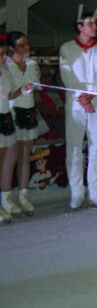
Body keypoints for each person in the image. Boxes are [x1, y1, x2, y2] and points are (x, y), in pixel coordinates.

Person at [59, 14, 97, 209]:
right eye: (90, 23)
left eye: (96, 23)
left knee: (96, 146)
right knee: (74, 148)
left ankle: (95, 191)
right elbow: (67, 75)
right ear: (80, 27)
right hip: (75, 104)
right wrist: (82, 97)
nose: (95, 26)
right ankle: (76, 191)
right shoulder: (66, 48)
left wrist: (92, 94)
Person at [2, 31, 43, 218]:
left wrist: (32, 86)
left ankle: (23, 194)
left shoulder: (32, 64)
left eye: (27, 44)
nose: (26, 48)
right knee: (10, 158)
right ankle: (6, 196)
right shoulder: (7, 65)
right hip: (13, 112)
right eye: (21, 45)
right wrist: (21, 90)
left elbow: (38, 86)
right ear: (12, 48)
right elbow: (9, 93)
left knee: (25, 156)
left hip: (29, 111)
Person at [0, 36, 17, 222]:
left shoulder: (5, 72)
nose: (4, 58)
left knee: (7, 160)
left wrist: (24, 89)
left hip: (5, 117)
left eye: (5, 54)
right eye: (1, 54)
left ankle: (5, 198)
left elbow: (10, 93)